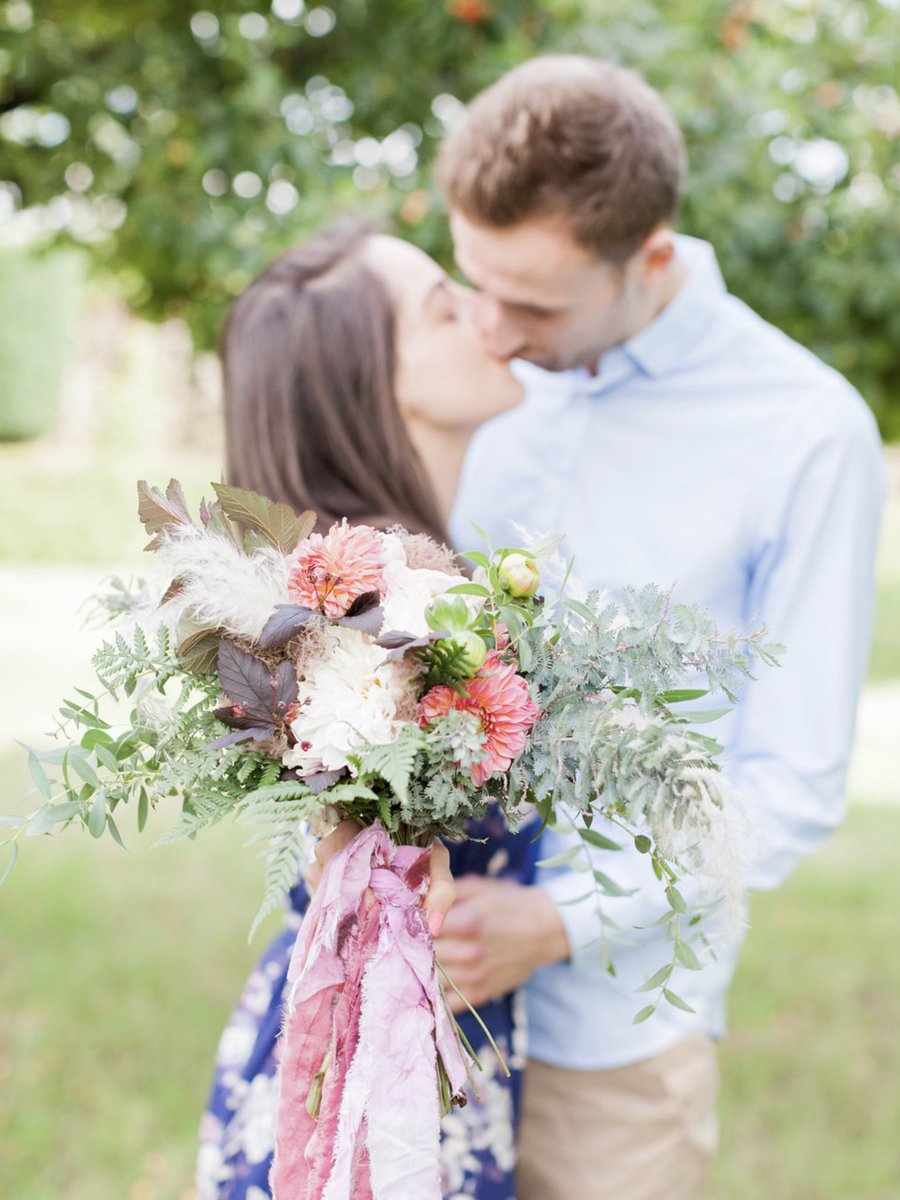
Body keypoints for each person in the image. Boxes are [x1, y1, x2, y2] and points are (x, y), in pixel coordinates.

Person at [435, 55, 885, 1200]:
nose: (491, 329)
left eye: (534, 304)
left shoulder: (803, 431)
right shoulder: (469, 369)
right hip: (415, 1003)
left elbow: (787, 787)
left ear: (653, 259)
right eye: (474, 282)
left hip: (616, 1046)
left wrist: (559, 921)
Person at [195, 222, 541, 1200]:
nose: (488, 311)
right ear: (373, 384)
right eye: (445, 305)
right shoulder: (352, 619)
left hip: (423, 1048)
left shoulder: (431, 578)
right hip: (364, 1072)